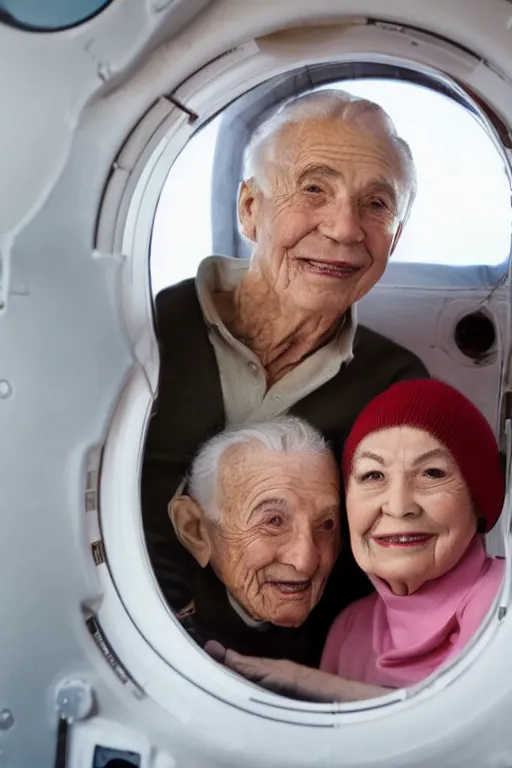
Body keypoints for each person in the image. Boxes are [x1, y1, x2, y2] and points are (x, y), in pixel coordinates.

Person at [142, 88, 429, 647]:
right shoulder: (147, 331)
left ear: (395, 234)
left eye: (376, 204)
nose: (345, 229)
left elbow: (391, 572)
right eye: (314, 188)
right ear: (251, 209)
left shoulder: (397, 387)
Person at [209, 380, 505, 698]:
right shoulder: (351, 626)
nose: (398, 506)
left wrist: (305, 682)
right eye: (372, 476)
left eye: (432, 473)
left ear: (477, 499)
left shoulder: (503, 597)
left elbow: (466, 724)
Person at [169, 416, 341, 664]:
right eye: (274, 521)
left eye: (326, 524)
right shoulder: (166, 639)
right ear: (195, 530)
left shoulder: (356, 625)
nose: (305, 562)